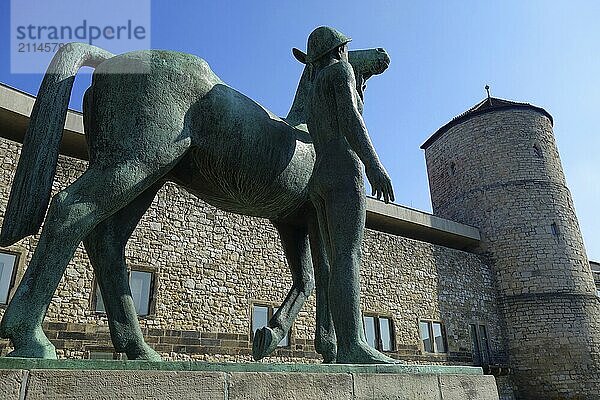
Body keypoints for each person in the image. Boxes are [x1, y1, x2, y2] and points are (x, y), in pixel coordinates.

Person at [293, 26, 396, 363]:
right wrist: (374, 165)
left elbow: (337, 117)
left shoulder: (313, 89)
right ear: (338, 51)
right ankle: (353, 344)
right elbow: (351, 119)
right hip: (342, 167)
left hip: (319, 174)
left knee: (336, 260)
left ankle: (344, 343)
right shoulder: (341, 70)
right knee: (348, 256)